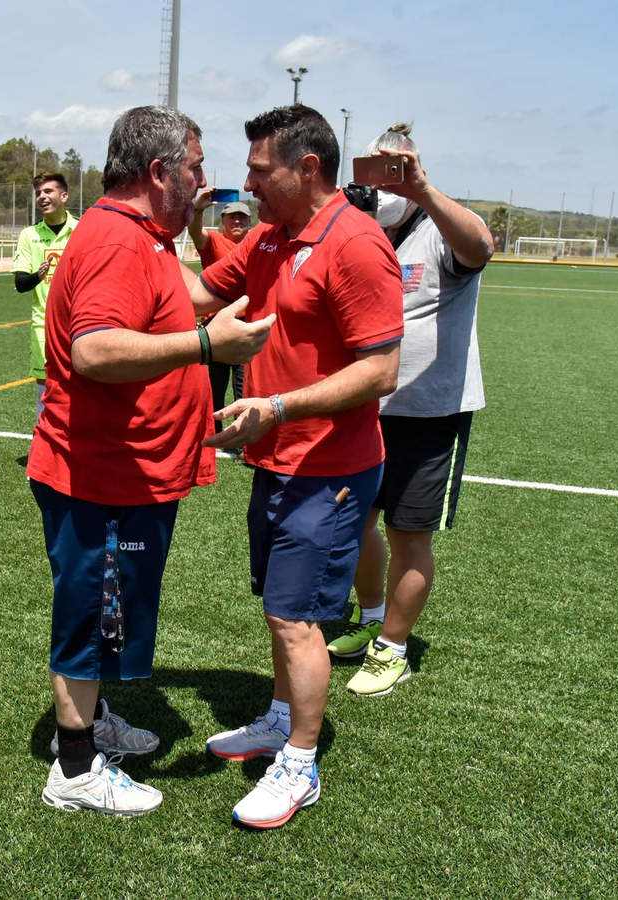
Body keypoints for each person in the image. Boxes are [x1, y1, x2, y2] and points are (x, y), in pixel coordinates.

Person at [27, 105, 274, 816]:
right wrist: (205, 348)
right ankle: (74, 770)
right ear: (160, 170)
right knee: (88, 612)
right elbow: (95, 349)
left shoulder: (146, 236)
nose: (206, 180)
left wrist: (258, 259)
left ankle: (90, 723)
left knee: (107, 613)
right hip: (100, 477)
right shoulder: (116, 238)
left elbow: (180, 300)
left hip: (125, 474)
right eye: (196, 166)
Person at [193, 104, 404, 829]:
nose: (248, 183)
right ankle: (282, 717)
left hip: (332, 470)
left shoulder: (355, 243)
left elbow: (382, 371)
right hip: (279, 462)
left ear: (305, 167)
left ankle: (300, 763)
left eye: (259, 169)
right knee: (279, 610)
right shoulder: (273, 238)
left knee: (294, 619)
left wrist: (278, 408)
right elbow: (203, 294)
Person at [332, 123, 494, 697]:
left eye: (398, 165)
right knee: (352, 523)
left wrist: (423, 190)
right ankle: (372, 619)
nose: (388, 178)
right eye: (378, 165)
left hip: (431, 414)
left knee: (409, 534)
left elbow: (481, 247)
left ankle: (394, 647)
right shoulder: (363, 225)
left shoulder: (441, 226)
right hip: (365, 407)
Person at [187, 190, 254, 446]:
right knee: (215, 388)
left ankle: (240, 441)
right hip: (217, 327)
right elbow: (196, 233)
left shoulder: (256, 245)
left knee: (243, 387)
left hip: (247, 324)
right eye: (231, 219)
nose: (237, 223)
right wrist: (198, 210)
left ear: (250, 221)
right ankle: (216, 438)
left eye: (242, 218)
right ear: (222, 222)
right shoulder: (215, 241)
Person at [11, 172, 76, 419]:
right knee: (45, 392)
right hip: (44, 327)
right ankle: (44, 450)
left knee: (80, 387)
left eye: (48, 191)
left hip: (79, 323)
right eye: (39, 193)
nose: (42, 197)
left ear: (64, 195)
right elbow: (20, 283)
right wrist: (38, 276)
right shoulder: (29, 235)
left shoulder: (81, 230)